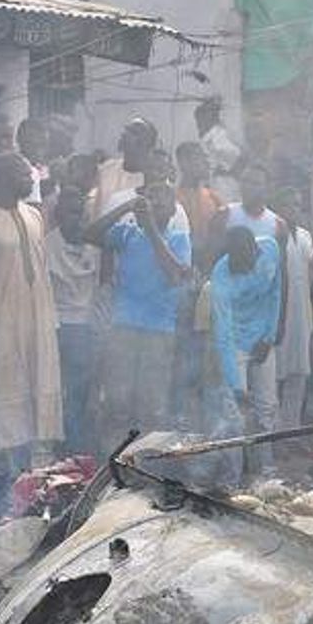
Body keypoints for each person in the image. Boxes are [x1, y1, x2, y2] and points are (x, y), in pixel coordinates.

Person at [0, 153, 63, 478]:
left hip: (38, 317)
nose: (31, 179)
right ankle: (1, 468)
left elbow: (43, 271)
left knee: (39, 381)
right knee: (3, 388)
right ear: (2, 178)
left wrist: (52, 321)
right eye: (23, 174)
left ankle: (34, 466)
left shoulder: (35, 215)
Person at [89, 181, 190, 447]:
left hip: (159, 332)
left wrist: (151, 229)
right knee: (117, 401)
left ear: (172, 210)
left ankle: (145, 465)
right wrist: (125, 207)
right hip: (123, 327)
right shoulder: (127, 232)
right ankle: (112, 462)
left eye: (162, 200)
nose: (155, 204)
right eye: (150, 198)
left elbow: (174, 274)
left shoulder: (179, 238)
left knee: (152, 406)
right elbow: (90, 234)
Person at [208, 224, 284, 475]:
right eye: (238, 262)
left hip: (262, 337)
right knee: (234, 414)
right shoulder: (221, 277)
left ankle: (266, 471)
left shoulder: (270, 249)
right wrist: (236, 386)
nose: (245, 267)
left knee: (267, 406)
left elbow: (275, 292)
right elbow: (223, 336)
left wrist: (270, 336)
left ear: (255, 249)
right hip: (236, 343)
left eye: (248, 259)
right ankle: (232, 475)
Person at [43, 179, 101, 455]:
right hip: (57, 328)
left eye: (82, 213)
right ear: (58, 216)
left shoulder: (96, 245)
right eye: (71, 213)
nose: (78, 220)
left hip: (87, 329)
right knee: (59, 393)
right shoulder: (46, 247)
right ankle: (59, 449)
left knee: (81, 395)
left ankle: (76, 452)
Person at [270, 187, 313, 437]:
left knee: (298, 376)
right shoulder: (270, 233)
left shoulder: (305, 236)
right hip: (278, 317)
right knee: (274, 378)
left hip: (301, 317)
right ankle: (274, 435)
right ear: (278, 208)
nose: (294, 210)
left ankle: (291, 433)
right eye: (289, 205)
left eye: (298, 205)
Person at [174, 141, 224, 249]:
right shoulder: (173, 199)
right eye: (201, 157)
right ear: (184, 162)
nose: (208, 163)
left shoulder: (214, 198)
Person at [196, 97, 243, 203]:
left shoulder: (218, 136)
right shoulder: (205, 138)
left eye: (202, 118)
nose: (199, 122)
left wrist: (224, 169)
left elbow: (235, 155)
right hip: (209, 187)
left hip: (224, 186)